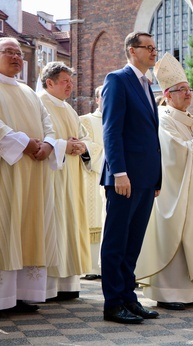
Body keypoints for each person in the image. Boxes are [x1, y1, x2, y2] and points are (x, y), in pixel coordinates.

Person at [134, 52, 193, 310]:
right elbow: (173, 154)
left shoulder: (191, 121)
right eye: (181, 90)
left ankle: (189, 291)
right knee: (175, 235)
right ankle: (168, 293)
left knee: (192, 237)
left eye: (189, 89)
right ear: (168, 95)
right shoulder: (164, 119)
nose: (188, 94)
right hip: (174, 190)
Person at [100, 31, 162, 324]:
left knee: (133, 242)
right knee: (116, 241)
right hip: (124, 178)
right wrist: (119, 172)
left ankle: (128, 297)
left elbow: (149, 135)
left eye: (154, 48)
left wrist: (156, 178)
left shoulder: (147, 85)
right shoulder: (118, 80)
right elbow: (111, 130)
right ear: (131, 51)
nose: (153, 52)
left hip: (146, 179)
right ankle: (113, 303)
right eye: (148, 47)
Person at [0, 37, 65, 313]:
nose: (16, 57)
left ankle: (25, 294)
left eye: (18, 53)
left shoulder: (28, 92)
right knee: (7, 227)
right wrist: (23, 142)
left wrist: (48, 143)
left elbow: (48, 124)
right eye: (9, 52)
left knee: (31, 225)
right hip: (7, 170)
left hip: (34, 171)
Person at [39, 61, 91, 301]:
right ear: (49, 83)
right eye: (65, 82)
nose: (70, 86)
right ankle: (49, 286)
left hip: (72, 178)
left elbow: (85, 139)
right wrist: (64, 146)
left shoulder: (69, 109)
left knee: (70, 223)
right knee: (54, 224)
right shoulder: (39, 103)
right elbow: (37, 137)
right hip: (51, 176)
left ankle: (68, 284)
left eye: (71, 81)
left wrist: (82, 146)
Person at [79, 85, 105, 279]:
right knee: (92, 220)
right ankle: (90, 267)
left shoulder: (122, 120)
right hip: (92, 178)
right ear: (97, 100)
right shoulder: (85, 121)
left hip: (114, 179)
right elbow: (85, 146)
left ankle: (107, 267)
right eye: (103, 97)